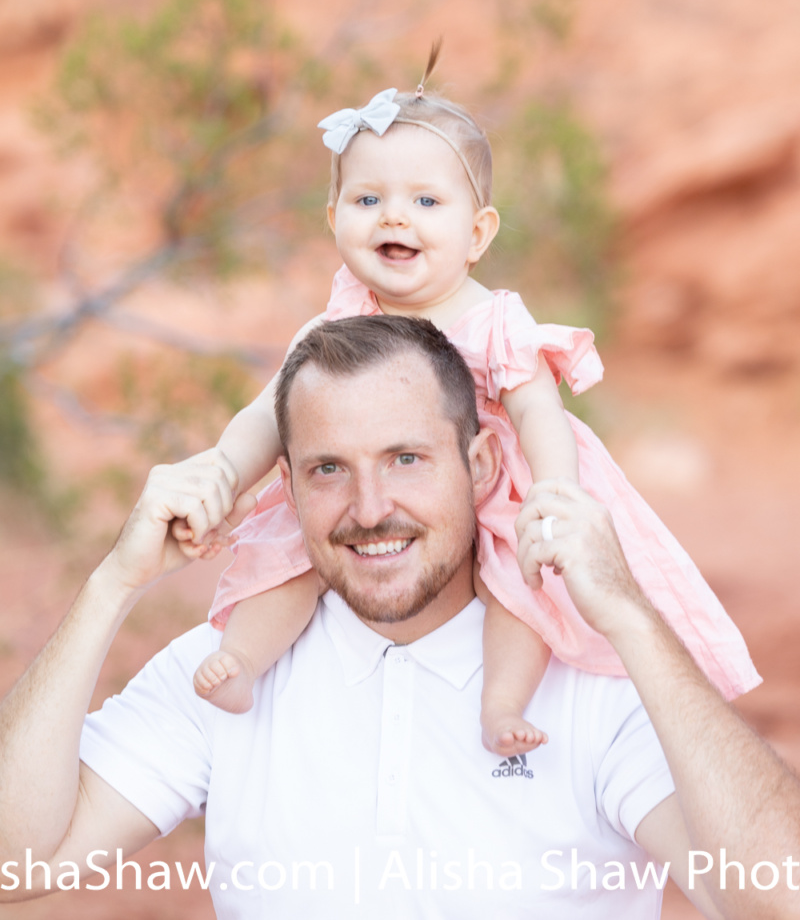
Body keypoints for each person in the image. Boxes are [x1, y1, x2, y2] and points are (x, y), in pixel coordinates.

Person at [0, 315, 797, 920]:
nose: (370, 509)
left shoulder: (595, 683)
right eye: (329, 470)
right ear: (288, 482)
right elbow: (15, 865)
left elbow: (777, 893)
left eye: (405, 459)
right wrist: (113, 582)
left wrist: (628, 617)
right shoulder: (223, 673)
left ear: (479, 465)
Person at [184, 48, 758, 757]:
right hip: (386, 478)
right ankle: (243, 660)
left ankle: (501, 703)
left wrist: (552, 493)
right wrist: (222, 471)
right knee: (291, 545)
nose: (396, 217)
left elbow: (540, 413)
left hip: (501, 479)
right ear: (334, 217)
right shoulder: (333, 325)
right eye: (369, 201)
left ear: (478, 233)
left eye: (427, 202)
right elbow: (268, 415)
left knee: (522, 578)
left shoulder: (494, 320)